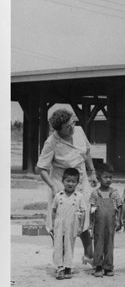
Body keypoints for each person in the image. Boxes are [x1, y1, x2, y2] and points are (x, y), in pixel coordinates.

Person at [36, 108, 97, 265]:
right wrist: (52, 187)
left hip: (81, 181)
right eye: (68, 126)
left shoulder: (78, 131)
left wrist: (92, 172)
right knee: (61, 223)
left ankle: (89, 255)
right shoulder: (51, 142)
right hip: (62, 185)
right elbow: (41, 168)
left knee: (83, 218)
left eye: (73, 123)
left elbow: (87, 152)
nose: (72, 127)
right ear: (58, 129)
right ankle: (61, 260)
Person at [51, 168, 88, 280]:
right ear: (63, 181)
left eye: (73, 181)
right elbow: (53, 210)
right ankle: (60, 268)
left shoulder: (79, 196)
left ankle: (68, 267)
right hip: (59, 225)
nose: (70, 184)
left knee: (69, 246)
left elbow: (83, 211)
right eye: (68, 181)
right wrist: (53, 225)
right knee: (58, 246)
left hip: (72, 225)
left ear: (77, 183)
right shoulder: (59, 195)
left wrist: (81, 226)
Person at [89, 162, 123, 277]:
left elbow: (120, 206)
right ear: (99, 178)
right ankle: (98, 266)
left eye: (110, 177)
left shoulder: (114, 193)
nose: (108, 180)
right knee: (98, 244)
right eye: (105, 177)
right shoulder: (95, 194)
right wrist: (90, 224)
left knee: (109, 244)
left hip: (110, 224)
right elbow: (92, 209)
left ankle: (108, 266)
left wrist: (119, 220)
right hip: (98, 224)